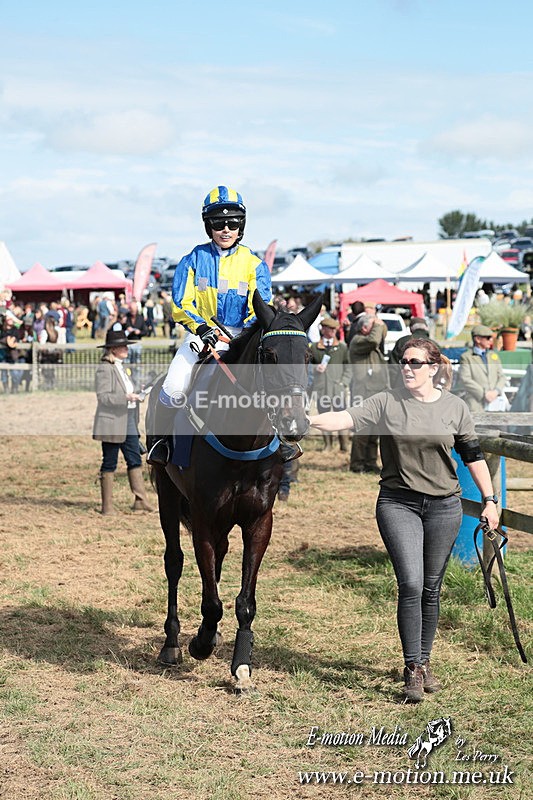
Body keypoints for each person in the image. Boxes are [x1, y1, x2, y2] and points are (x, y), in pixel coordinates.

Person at [309, 339, 500, 702]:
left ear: (432, 367)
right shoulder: (387, 402)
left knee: (431, 587)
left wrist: (489, 500)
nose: (406, 368)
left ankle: (424, 661)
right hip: (398, 504)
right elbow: (346, 418)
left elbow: (473, 455)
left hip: (445, 507)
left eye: (414, 362)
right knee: (411, 583)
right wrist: (307, 419)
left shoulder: (454, 407)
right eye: (402, 362)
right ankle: (412, 667)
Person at [147, 185, 272, 465]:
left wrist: (243, 334)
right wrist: (202, 328)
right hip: (201, 335)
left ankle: (282, 445)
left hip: (242, 337)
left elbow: (262, 306)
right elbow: (180, 303)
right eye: (218, 223)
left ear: (242, 226)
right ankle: (160, 444)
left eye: (233, 223)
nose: (226, 229)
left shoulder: (255, 264)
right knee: (173, 387)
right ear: (208, 226)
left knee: (275, 385)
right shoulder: (192, 260)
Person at [92, 326, 153, 515]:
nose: (127, 349)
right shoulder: (104, 369)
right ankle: (107, 506)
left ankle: (140, 500)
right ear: (113, 349)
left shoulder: (122, 368)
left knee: (134, 459)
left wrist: (136, 392)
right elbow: (103, 397)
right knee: (109, 462)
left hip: (128, 420)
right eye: (123, 346)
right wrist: (127, 397)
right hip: (112, 421)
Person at [348, 313, 389, 473]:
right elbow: (374, 339)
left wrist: (378, 324)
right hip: (364, 393)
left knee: (375, 432)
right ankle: (357, 464)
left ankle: (370, 462)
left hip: (376, 392)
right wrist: (377, 325)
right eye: (373, 327)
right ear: (364, 328)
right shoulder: (358, 341)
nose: (377, 329)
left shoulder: (368, 343)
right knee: (363, 431)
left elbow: (380, 335)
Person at [309, 316, 351, 451]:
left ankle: (344, 445)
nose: (333, 331)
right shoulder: (315, 347)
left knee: (341, 416)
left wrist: (344, 382)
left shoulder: (342, 347)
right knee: (324, 417)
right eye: (330, 328)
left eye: (334, 329)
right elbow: (307, 366)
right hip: (322, 388)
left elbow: (348, 366)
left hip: (337, 388)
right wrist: (315, 368)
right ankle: (328, 445)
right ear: (323, 330)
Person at [455, 324, 507, 412]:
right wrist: (484, 394)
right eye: (487, 338)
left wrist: (496, 391)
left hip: (495, 402)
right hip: (475, 401)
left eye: (491, 337)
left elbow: (501, 376)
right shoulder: (466, 357)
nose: (490, 340)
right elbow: (465, 379)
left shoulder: (493, 356)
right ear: (477, 339)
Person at [388, 316, 436, 389]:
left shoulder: (401, 341)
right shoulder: (434, 344)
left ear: (410, 329)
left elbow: (393, 366)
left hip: (402, 386)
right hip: (426, 388)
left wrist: (394, 385)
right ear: (426, 328)